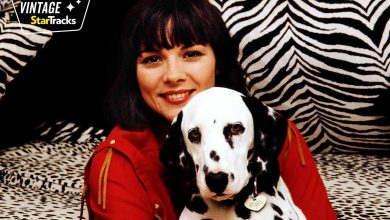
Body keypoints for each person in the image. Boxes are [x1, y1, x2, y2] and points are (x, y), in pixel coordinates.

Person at [82, 0, 337, 219]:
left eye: (191, 54)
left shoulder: (273, 133)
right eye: (153, 59)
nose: (173, 75)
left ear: (218, 63)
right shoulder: (119, 164)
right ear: (134, 74)